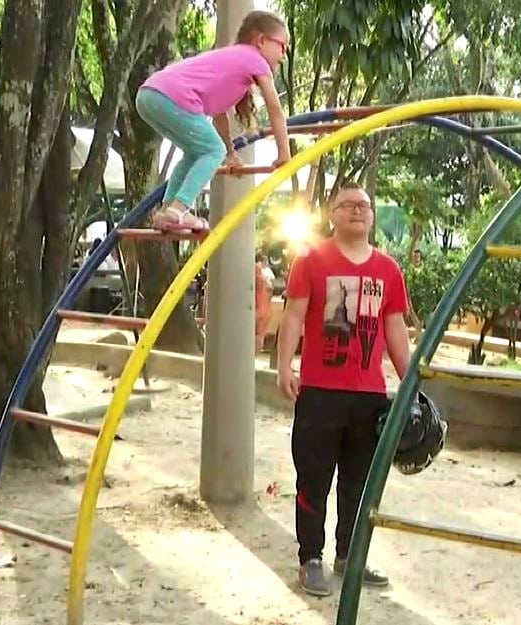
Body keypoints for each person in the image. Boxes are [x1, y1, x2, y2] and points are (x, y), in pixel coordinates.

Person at [276, 183, 412, 597]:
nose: (357, 211)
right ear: (332, 215)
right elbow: (294, 314)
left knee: (359, 481)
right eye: (347, 205)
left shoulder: (388, 270)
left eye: (364, 205)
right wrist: (284, 365)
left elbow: (394, 328)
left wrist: (411, 382)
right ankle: (310, 558)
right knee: (313, 477)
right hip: (319, 390)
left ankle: (349, 555)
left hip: (368, 395)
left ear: (372, 217)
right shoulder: (311, 260)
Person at [136, 9, 292, 233]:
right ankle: (180, 208)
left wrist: (230, 152)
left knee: (195, 152)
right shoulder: (255, 60)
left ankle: (167, 211)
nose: (284, 55)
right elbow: (275, 109)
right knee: (212, 151)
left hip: (149, 95)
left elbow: (220, 116)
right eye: (282, 46)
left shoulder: (231, 62)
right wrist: (284, 152)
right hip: (172, 96)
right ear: (261, 40)